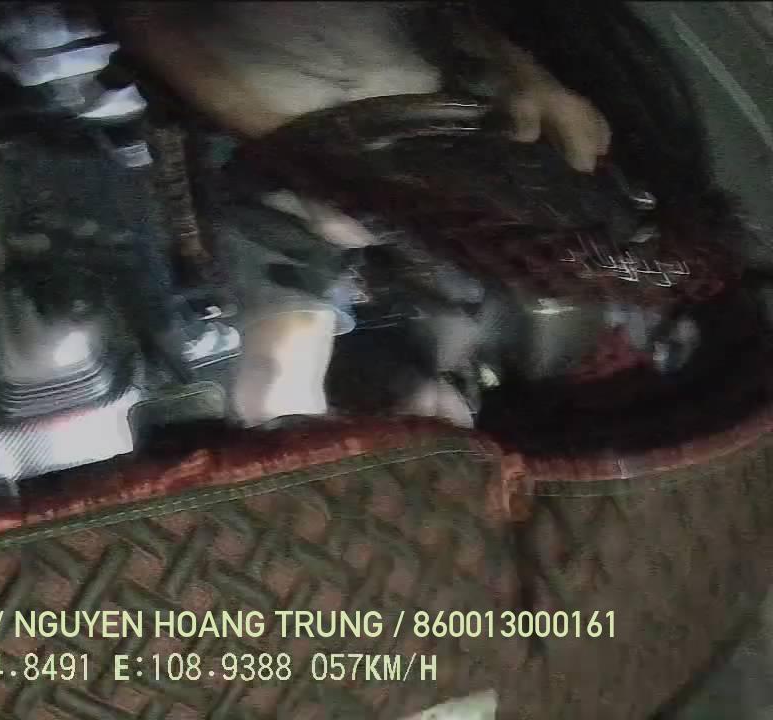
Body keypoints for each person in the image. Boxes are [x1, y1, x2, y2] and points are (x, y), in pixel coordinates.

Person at [115, 1, 614, 426]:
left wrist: (532, 78)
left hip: (436, 145)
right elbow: (142, 19)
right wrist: (305, 159)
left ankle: (427, 413)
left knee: (527, 323)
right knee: (280, 382)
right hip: (277, 141)